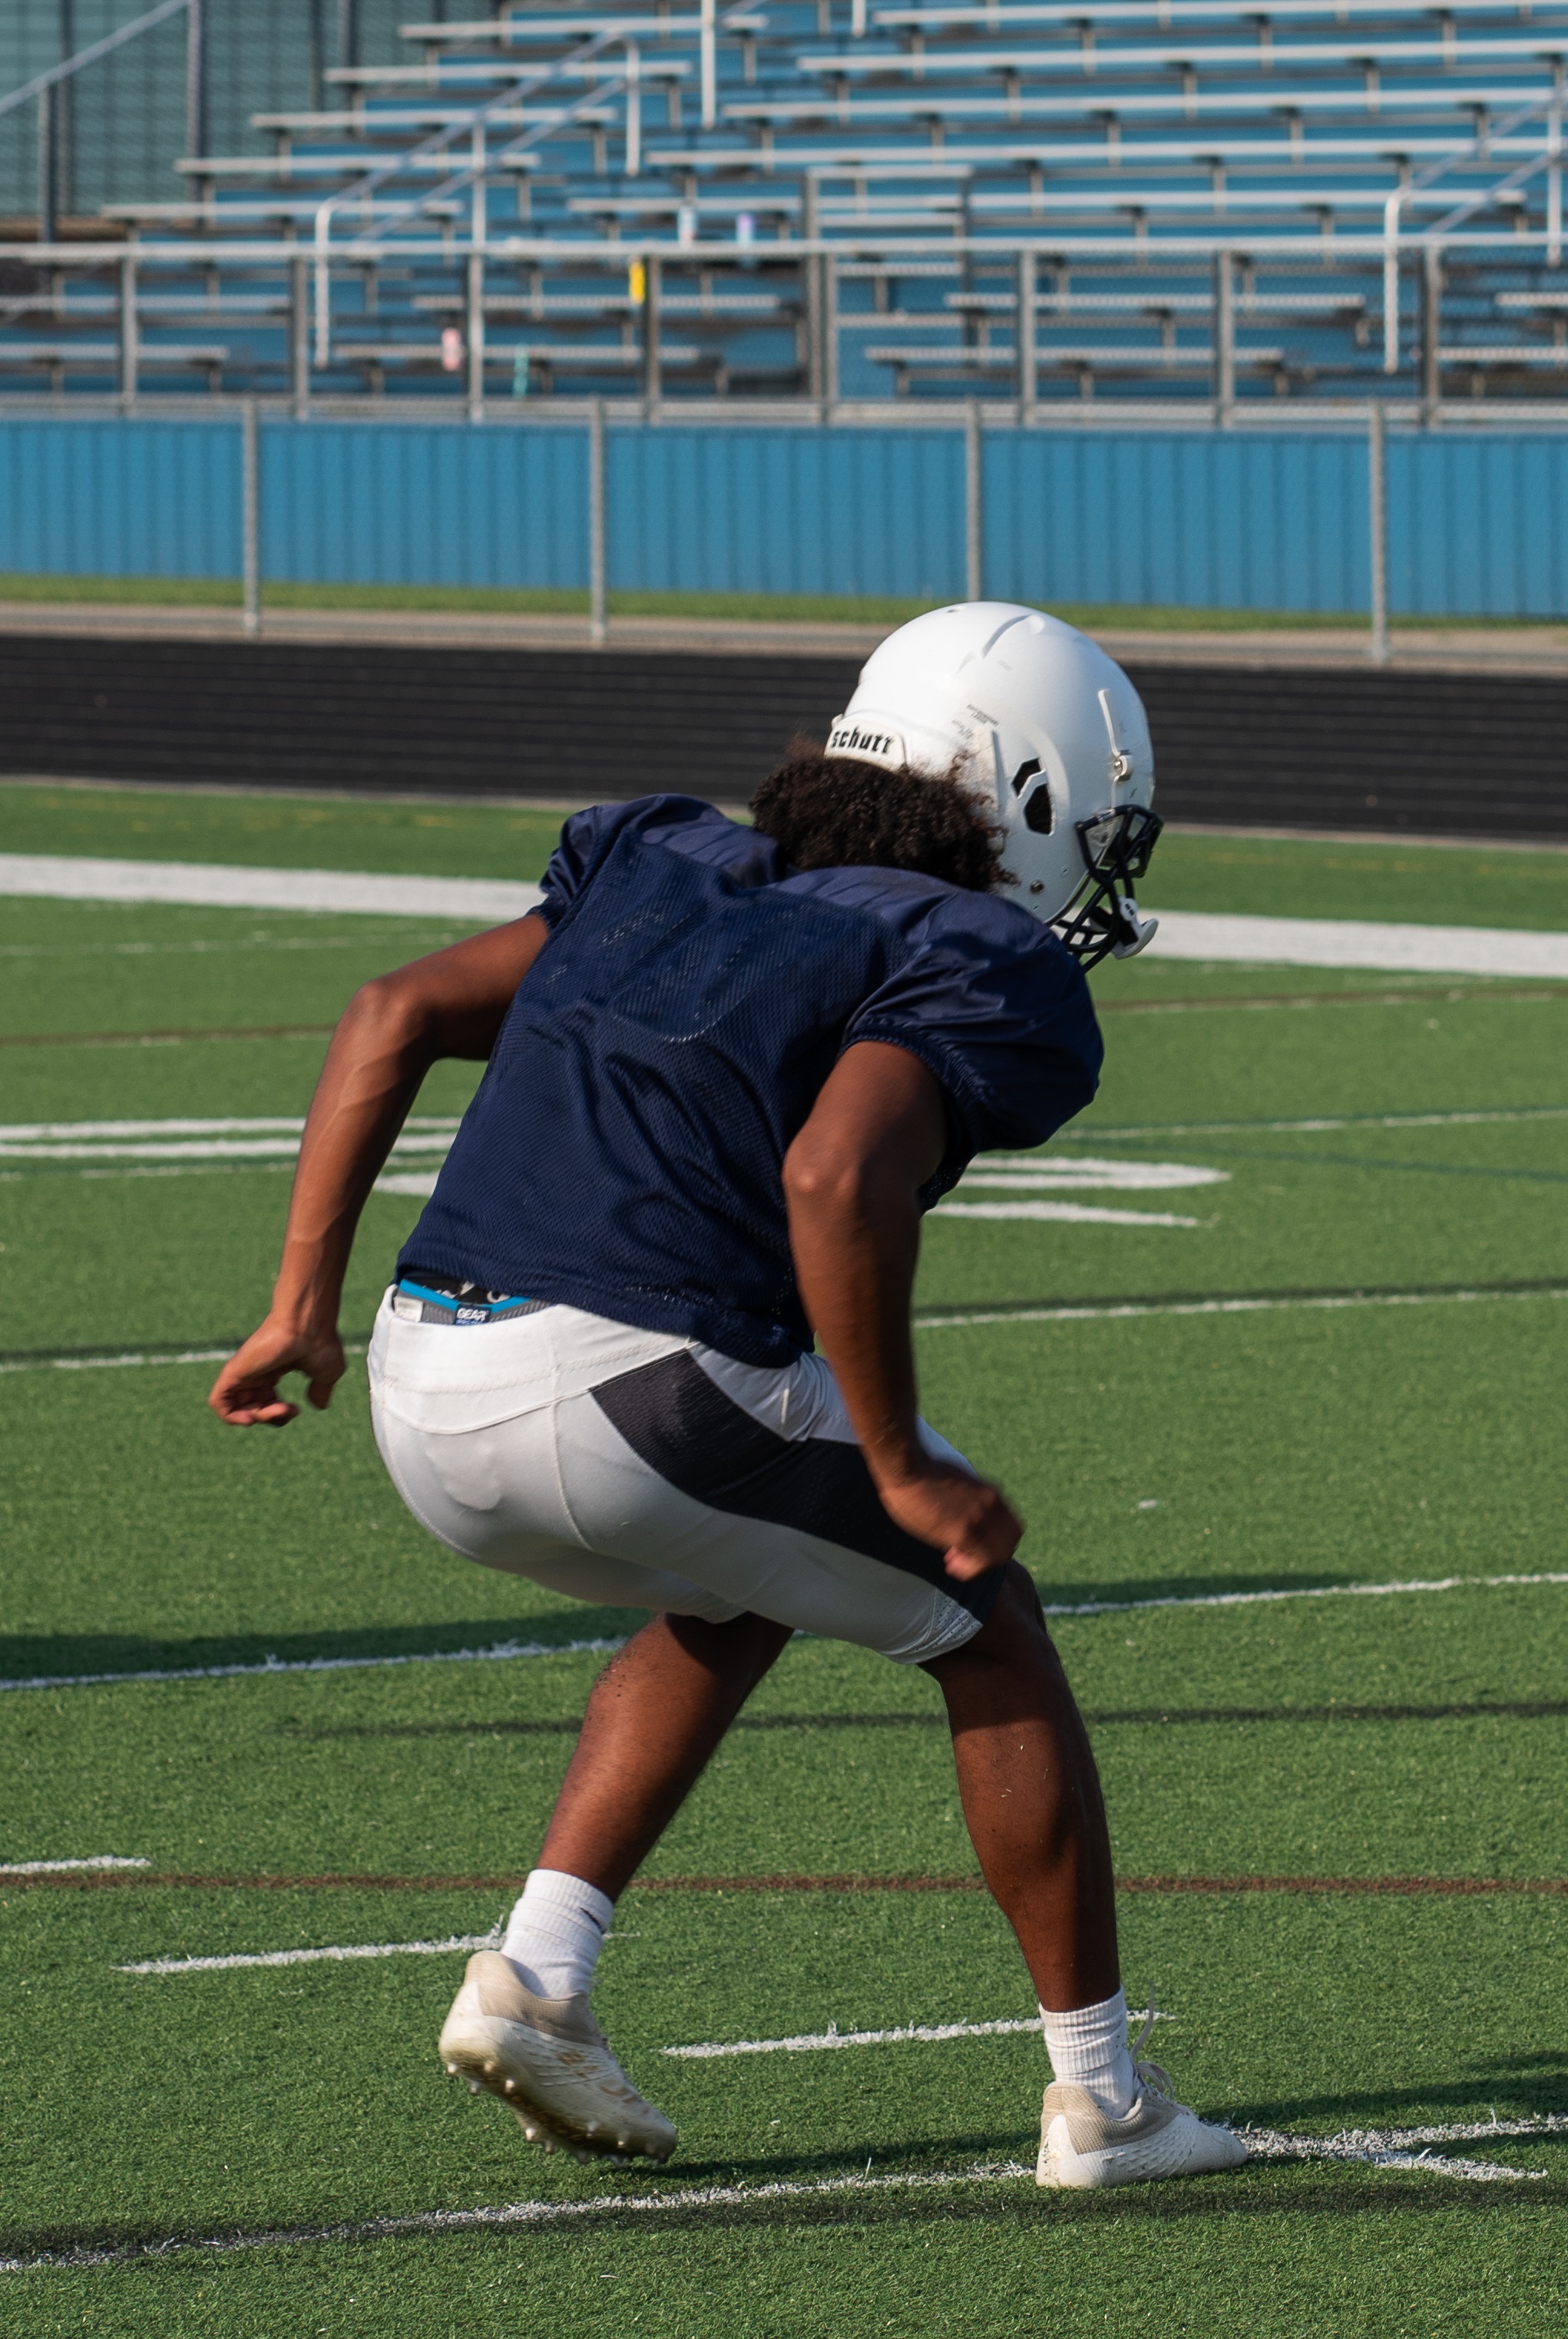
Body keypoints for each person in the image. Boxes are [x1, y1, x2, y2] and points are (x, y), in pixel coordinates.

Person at [209, 602, 1244, 2194]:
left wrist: (298, 1308)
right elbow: (838, 1172)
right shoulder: (960, 947)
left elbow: (390, 1010)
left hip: (426, 1374)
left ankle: (538, 1976)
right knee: (985, 1613)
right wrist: (898, 1459)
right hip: (625, 1387)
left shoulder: (669, 864)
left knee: (740, 1575)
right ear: (1030, 799)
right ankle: (1103, 2099)